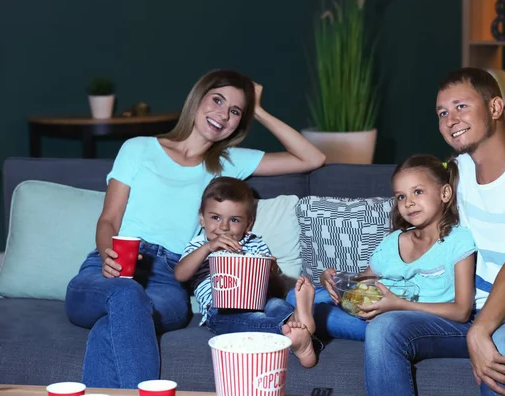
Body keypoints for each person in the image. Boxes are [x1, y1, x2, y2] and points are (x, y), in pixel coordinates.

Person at [64, 69, 326, 388]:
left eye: (234, 111)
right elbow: (109, 219)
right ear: (197, 98)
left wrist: (258, 110)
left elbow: (312, 157)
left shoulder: (226, 162)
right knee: (125, 294)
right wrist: (110, 256)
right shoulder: (138, 148)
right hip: (112, 268)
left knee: (118, 319)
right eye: (217, 100)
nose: (222, 114)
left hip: (168, 280)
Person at [364, 67, 505, 396]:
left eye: (461, 106)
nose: (450, 120)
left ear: (495, 108)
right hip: (474, 311)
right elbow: (424, 227)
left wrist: (481, 331)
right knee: (385, 327)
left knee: (501, 340)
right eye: (442, 112)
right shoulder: (457, 173)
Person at [292, 155, 476, 342]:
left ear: (445, 193)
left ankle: (300, 322)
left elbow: (461, 311)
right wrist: (332, 280)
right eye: (401, 197)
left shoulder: (458, 240)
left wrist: (398, 305)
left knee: (314, 309)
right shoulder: (393, 241)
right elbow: (360, 283)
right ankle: (300, 321)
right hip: (372, 310)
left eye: (418, 192)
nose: (408, 202)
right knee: (297, 295)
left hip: (406, 323)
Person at [175, 176, 317, 367]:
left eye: (234, 220)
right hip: (220, 309)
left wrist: (271, 273)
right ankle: (296, 335)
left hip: (260, 301)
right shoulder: (199, 245)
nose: (224, 227)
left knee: (276, 304)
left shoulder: (255, 244)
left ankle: (296, 319)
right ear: (202, 218)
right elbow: (180, 274)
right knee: (252, 320)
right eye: (216, 217)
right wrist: (209, 248)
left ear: (248, 224)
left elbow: (276, 291)